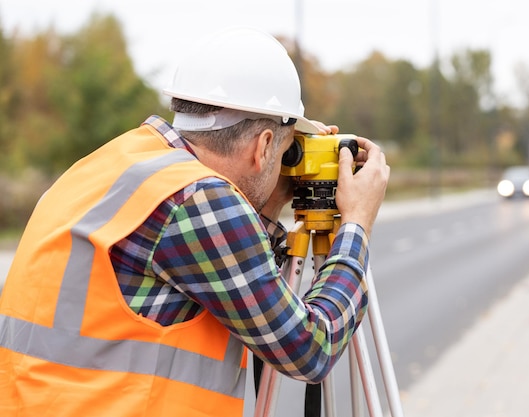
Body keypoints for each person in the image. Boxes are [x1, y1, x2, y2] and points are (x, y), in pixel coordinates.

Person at [0, 27, 390, 416]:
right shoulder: (199, 199)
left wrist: (269, 201)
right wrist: (356, 224)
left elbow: (237, 282)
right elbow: (309, 350)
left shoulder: (118, 163)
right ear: (265, 146)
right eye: (286, 149)